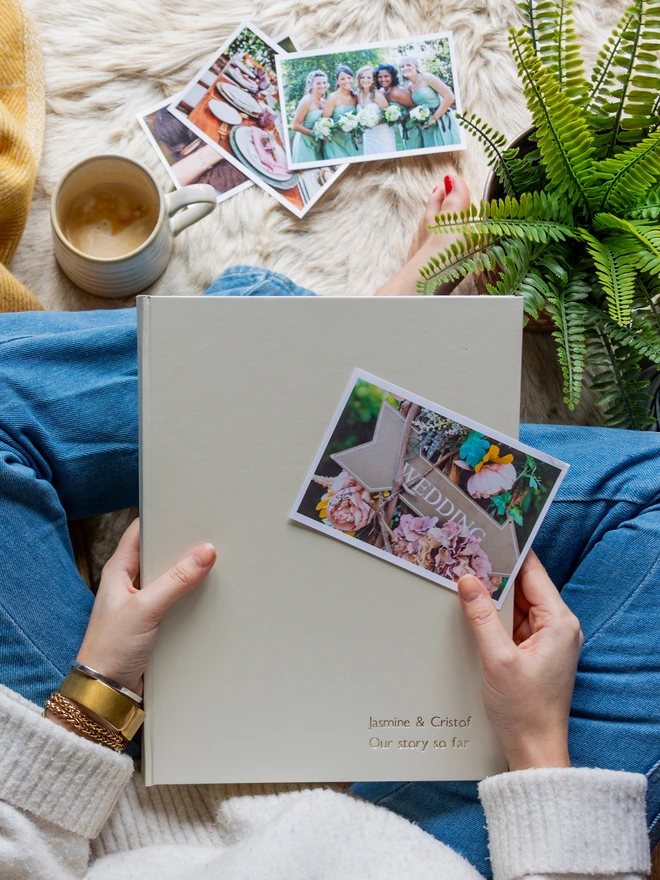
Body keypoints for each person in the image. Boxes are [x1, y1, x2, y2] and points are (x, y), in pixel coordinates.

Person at [0, 177, 656, 879]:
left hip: (103, 811)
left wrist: (96, 694)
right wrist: (535, 747)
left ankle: (328, 356)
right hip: (440, 848)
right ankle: (342, 355)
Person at [399, 55, 461, 149]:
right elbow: (414, 105)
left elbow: (449, 96)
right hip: (425, 123)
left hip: (440, 119)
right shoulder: (409, 87)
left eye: (408, 65)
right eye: (402, 66)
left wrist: (434, 118)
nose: (405, 68)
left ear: (415, 66)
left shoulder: (427, 78)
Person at [375, 63, 423, 151]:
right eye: (380, 77)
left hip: (413, 126)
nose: (383, 79)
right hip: (403, 127)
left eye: (386, 76)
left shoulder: (398, 92)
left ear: (392, 77)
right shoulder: (382, 91)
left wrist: (402, 117)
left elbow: (416, 106)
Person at [354, 65, 396, 155]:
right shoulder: (357, 94)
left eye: (369, 77)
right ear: (359, 78)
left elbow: (389, 116)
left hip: (382, 134)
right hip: (368, 135)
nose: (365, 80)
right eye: (362, 77)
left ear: (373, 80)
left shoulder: (377, 95)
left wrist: (373, 122)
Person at [321, 64, 360, 160]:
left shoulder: (355, 97)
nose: (346, 81)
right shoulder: (333, 97)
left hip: (349, 140)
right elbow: (324, 122)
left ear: (353, 78)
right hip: (334, 141)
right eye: (342, 79)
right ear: (337, 80)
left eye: (349, 78)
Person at [290, 69, 329, 164]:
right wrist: (316, 134)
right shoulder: (306, 101)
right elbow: (295, 126)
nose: (322, 86)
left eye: (324, 83)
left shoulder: (324, 102)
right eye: (318, 83)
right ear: (311, 85)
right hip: (305, 143)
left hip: (318, 144)